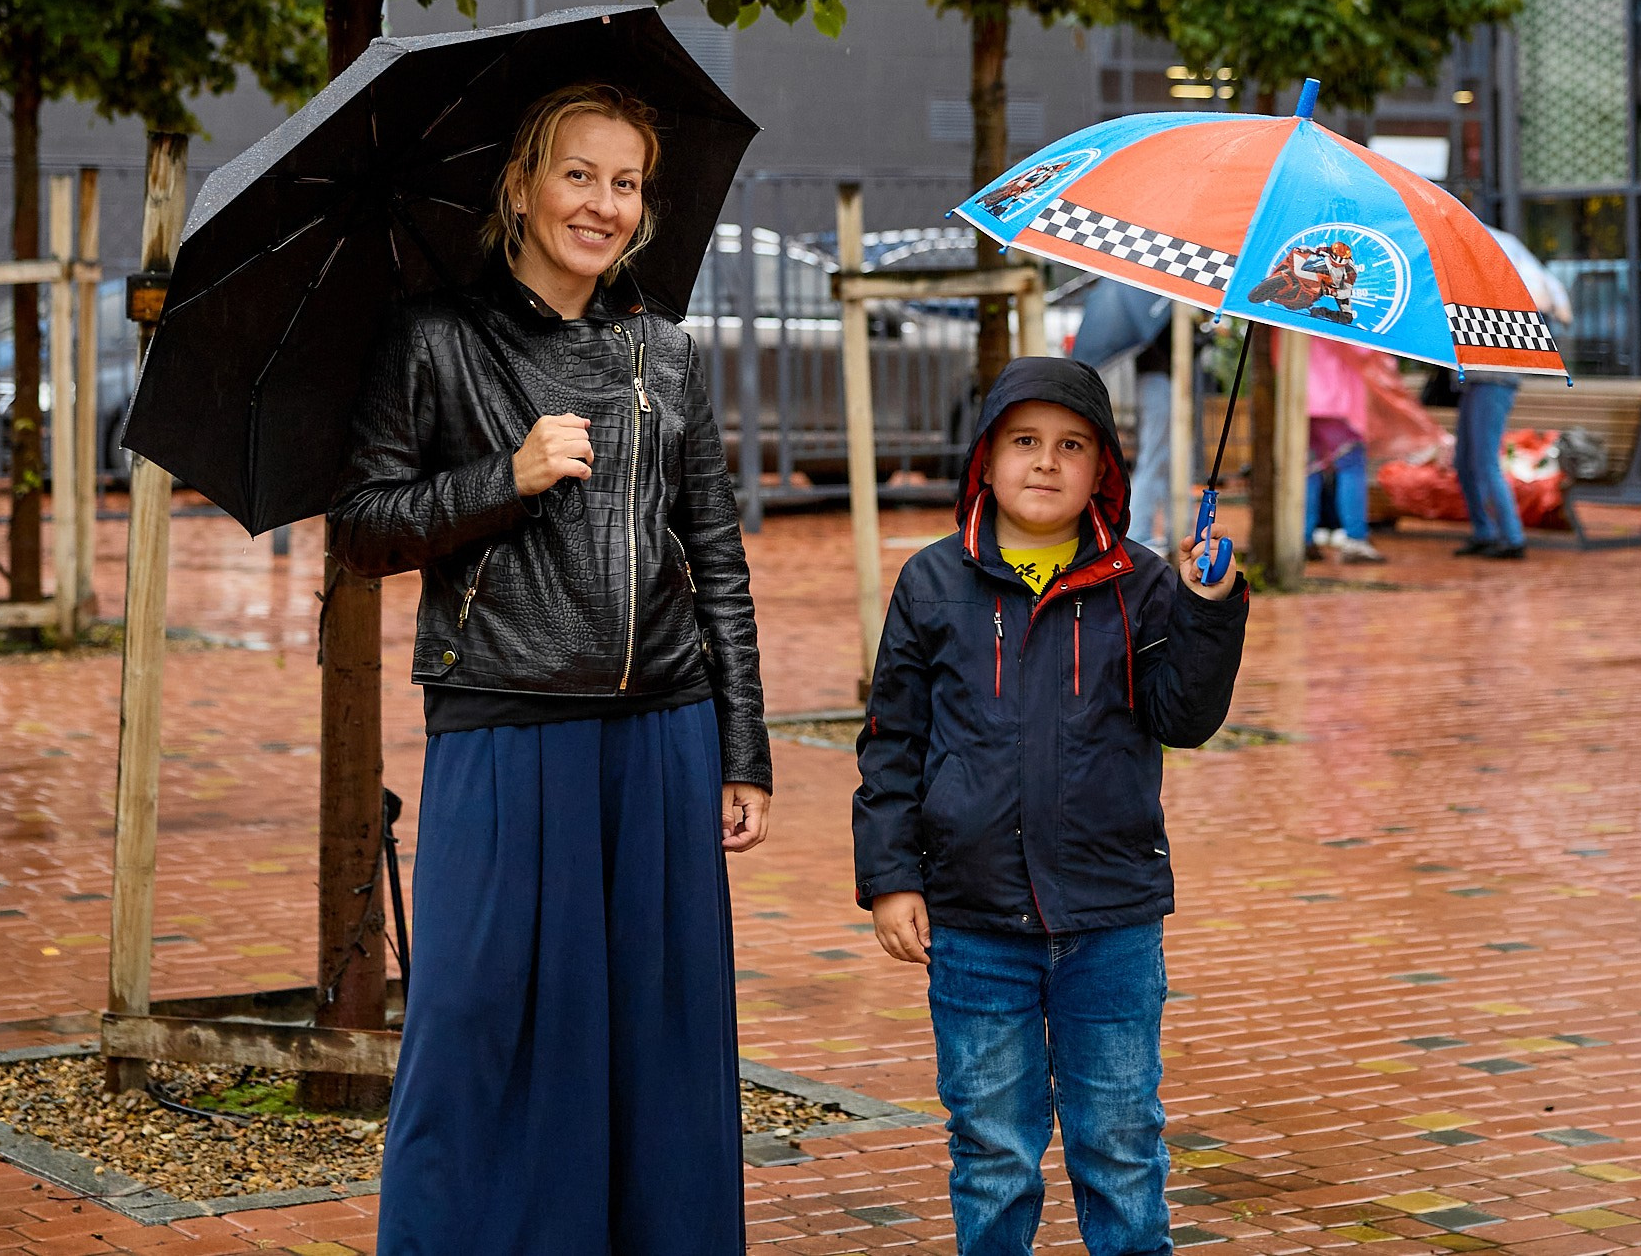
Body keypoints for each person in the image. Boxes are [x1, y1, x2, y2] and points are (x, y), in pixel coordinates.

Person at [328, 82, 768, 1256]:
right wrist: (502, 479)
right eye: (579, 174)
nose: (603, 204)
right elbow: (361, 530)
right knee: (482, 1023)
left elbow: (716, 554)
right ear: (520, 188)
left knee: (660, 1036)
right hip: (503, 722)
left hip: (661, 729)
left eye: (626, 183)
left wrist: (742, 748)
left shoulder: (665, 353)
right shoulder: (433, 338)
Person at [854, 357, 1248, 1256]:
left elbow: (1184, 718)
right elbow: (891, 742)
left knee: (1120, 1144)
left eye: (1072, 445)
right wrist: (890, 876)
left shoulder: (1143, 583)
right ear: (985, 460)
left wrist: (1208, 606)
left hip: (1109, 921)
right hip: (973, 921)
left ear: (1103, 467)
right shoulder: (931, 582)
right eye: (1024, 441)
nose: (1045, 461)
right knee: (993, 1149)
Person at [1069, 281, 1178, 550]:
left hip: (1160, 382)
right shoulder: (1154, 313)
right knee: (1156, 454)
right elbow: (1168, 347)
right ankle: (1139, 529)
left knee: (1167, 457)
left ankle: (1171, 528)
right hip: (1158, 382)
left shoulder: (1155, 310)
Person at [1307, 337, 1382, 564]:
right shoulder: (1339, 312)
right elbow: (1363, 350)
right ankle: (1355, 539)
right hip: (1336, 399)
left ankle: (1302, 536)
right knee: (1351, 465)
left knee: (1308, 469)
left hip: (1301, 396)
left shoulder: (1285, 314)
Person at [1454, 370, 1526, 560]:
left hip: (1494, 380)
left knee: (1486, 463)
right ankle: (1485, 532)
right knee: (1464, 463)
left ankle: (1512, 537)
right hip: (1472, 381)